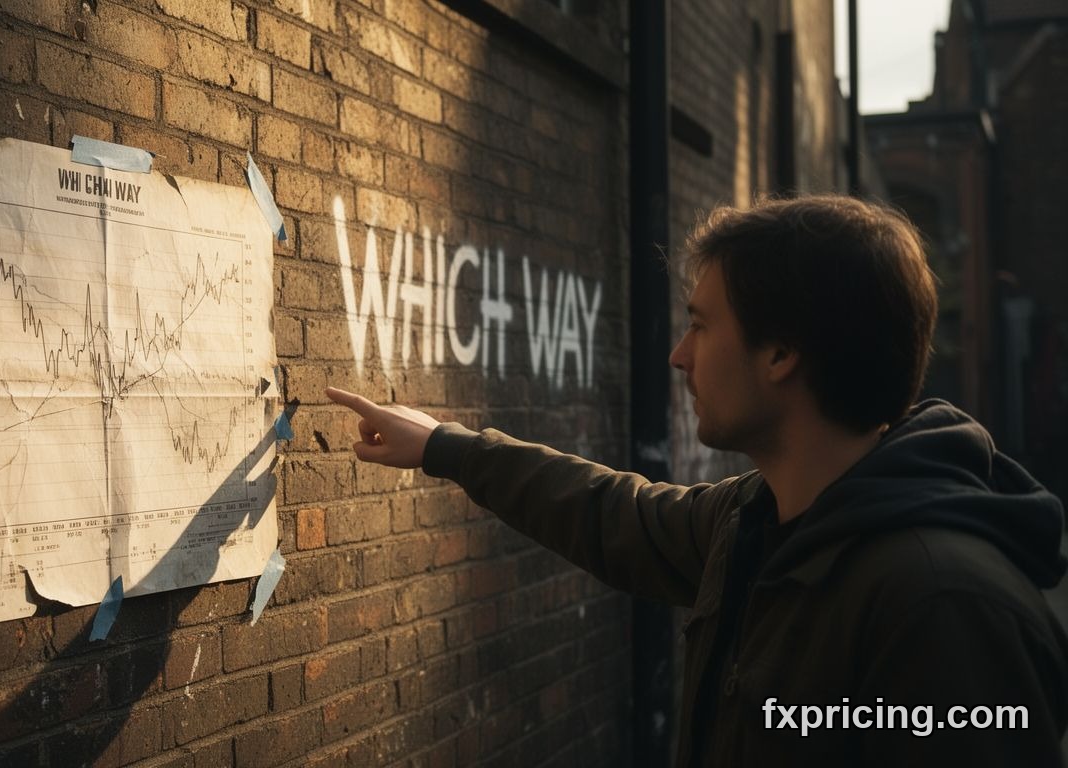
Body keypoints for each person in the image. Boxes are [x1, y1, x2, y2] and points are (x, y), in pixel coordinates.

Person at [325, 195, 1068, 767]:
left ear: (781, 353)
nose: (680, 355)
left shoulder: (944, 603)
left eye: (702, 325)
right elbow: (613, 514)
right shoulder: (757, 521)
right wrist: (446, 448)